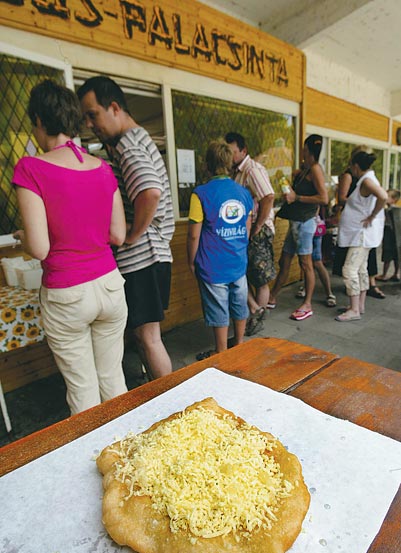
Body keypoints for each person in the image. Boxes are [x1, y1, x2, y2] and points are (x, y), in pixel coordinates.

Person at [12, 79, 128, 414]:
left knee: (83, 390)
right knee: (113, 379)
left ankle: (93, 460)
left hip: (67, 294)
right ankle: (130, 457)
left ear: (38, 120)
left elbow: (39, 248)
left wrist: (22, 236)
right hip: (109, 285)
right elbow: (117, 234)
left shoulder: (31, 169)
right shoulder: (102, 169)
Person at [78, 76, 175, 380]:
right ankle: (160, 396)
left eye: (93, 115)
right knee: (147, 337)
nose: (90, 124)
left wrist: (130, 235)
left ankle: (170, 404)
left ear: (115, 107)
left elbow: (150, 192)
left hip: (142, 257)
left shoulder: (127, 145)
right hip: (153, 255)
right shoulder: (138, 139)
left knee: (149, 339)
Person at [187, 140, 253, 356]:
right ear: (229, 162)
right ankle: (240, 343)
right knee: (239, 303)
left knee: (219, 309)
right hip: (238, 261)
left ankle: (222, 352)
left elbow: (194, 234)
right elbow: (247, 225)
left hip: (212, 263)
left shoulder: (201, 194)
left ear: (207, 164)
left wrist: (191, 260)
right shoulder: (243, 193)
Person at [269, 134, 329, 320]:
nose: (302, 152)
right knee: (284, 261)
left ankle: (307, 304)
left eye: (304, 149)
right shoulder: (306, 169)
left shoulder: (316, 169)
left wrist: (297, 198)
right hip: (296, 222)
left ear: (308, 150)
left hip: (305, 223)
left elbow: (324, 198)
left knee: (306, 264)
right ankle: (271, 297)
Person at [225, 132, 275, 336]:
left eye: (232, 152)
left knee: (259, 278)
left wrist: (257, 227)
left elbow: (269, 197)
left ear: (243, 151)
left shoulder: (252, 169)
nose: (229, 156)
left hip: (257, 230)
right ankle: (255, 310)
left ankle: (256, 320)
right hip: (244, 230)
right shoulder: (236, 171)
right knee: (243, 275)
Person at [335, 150, 387, 322]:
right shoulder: (366, 180)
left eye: (351, 166)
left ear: (356, 167)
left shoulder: (367, 181)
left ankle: (354, 310)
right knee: (361, 269)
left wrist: (372, 215)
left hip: (361, 235)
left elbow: (383, 196)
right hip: (361, 235)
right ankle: (359, 306)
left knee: (349, 269)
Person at [296, 209, 336, 307]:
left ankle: (329, 293)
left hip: (311, 225)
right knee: (310, 263)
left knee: (314, 262)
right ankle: (327, 293)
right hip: (317, 225)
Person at [376, 188, 401, 282]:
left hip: (389, 235)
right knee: (397, 255)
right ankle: (396, 273)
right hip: (398, 237)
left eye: (387, 196)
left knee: (387, 255)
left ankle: (384, 274)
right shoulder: (398, 210)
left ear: (394, 199)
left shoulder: (387, 210)